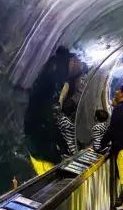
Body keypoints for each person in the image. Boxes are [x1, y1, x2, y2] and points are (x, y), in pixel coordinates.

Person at [24, 47, 83, 175]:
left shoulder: (51, 69)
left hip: (39, 147)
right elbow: (55, 126)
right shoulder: (58, 84)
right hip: (44, 153)